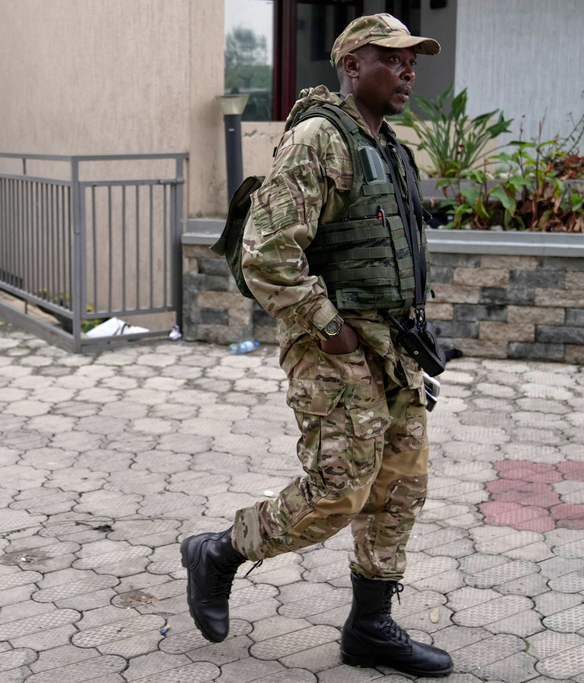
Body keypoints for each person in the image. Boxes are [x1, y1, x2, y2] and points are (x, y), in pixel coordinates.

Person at [181, 13, 452, 678]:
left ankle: (371, 626)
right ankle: (219, 551)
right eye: (393, 59)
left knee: (401, 485)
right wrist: (328, 326)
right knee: (339, 490)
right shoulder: (317, 139)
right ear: (354, 65)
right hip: (334, 347)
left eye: (413, 60)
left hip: (393, 346)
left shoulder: (387, 144)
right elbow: (268, 254)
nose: (409, 71)